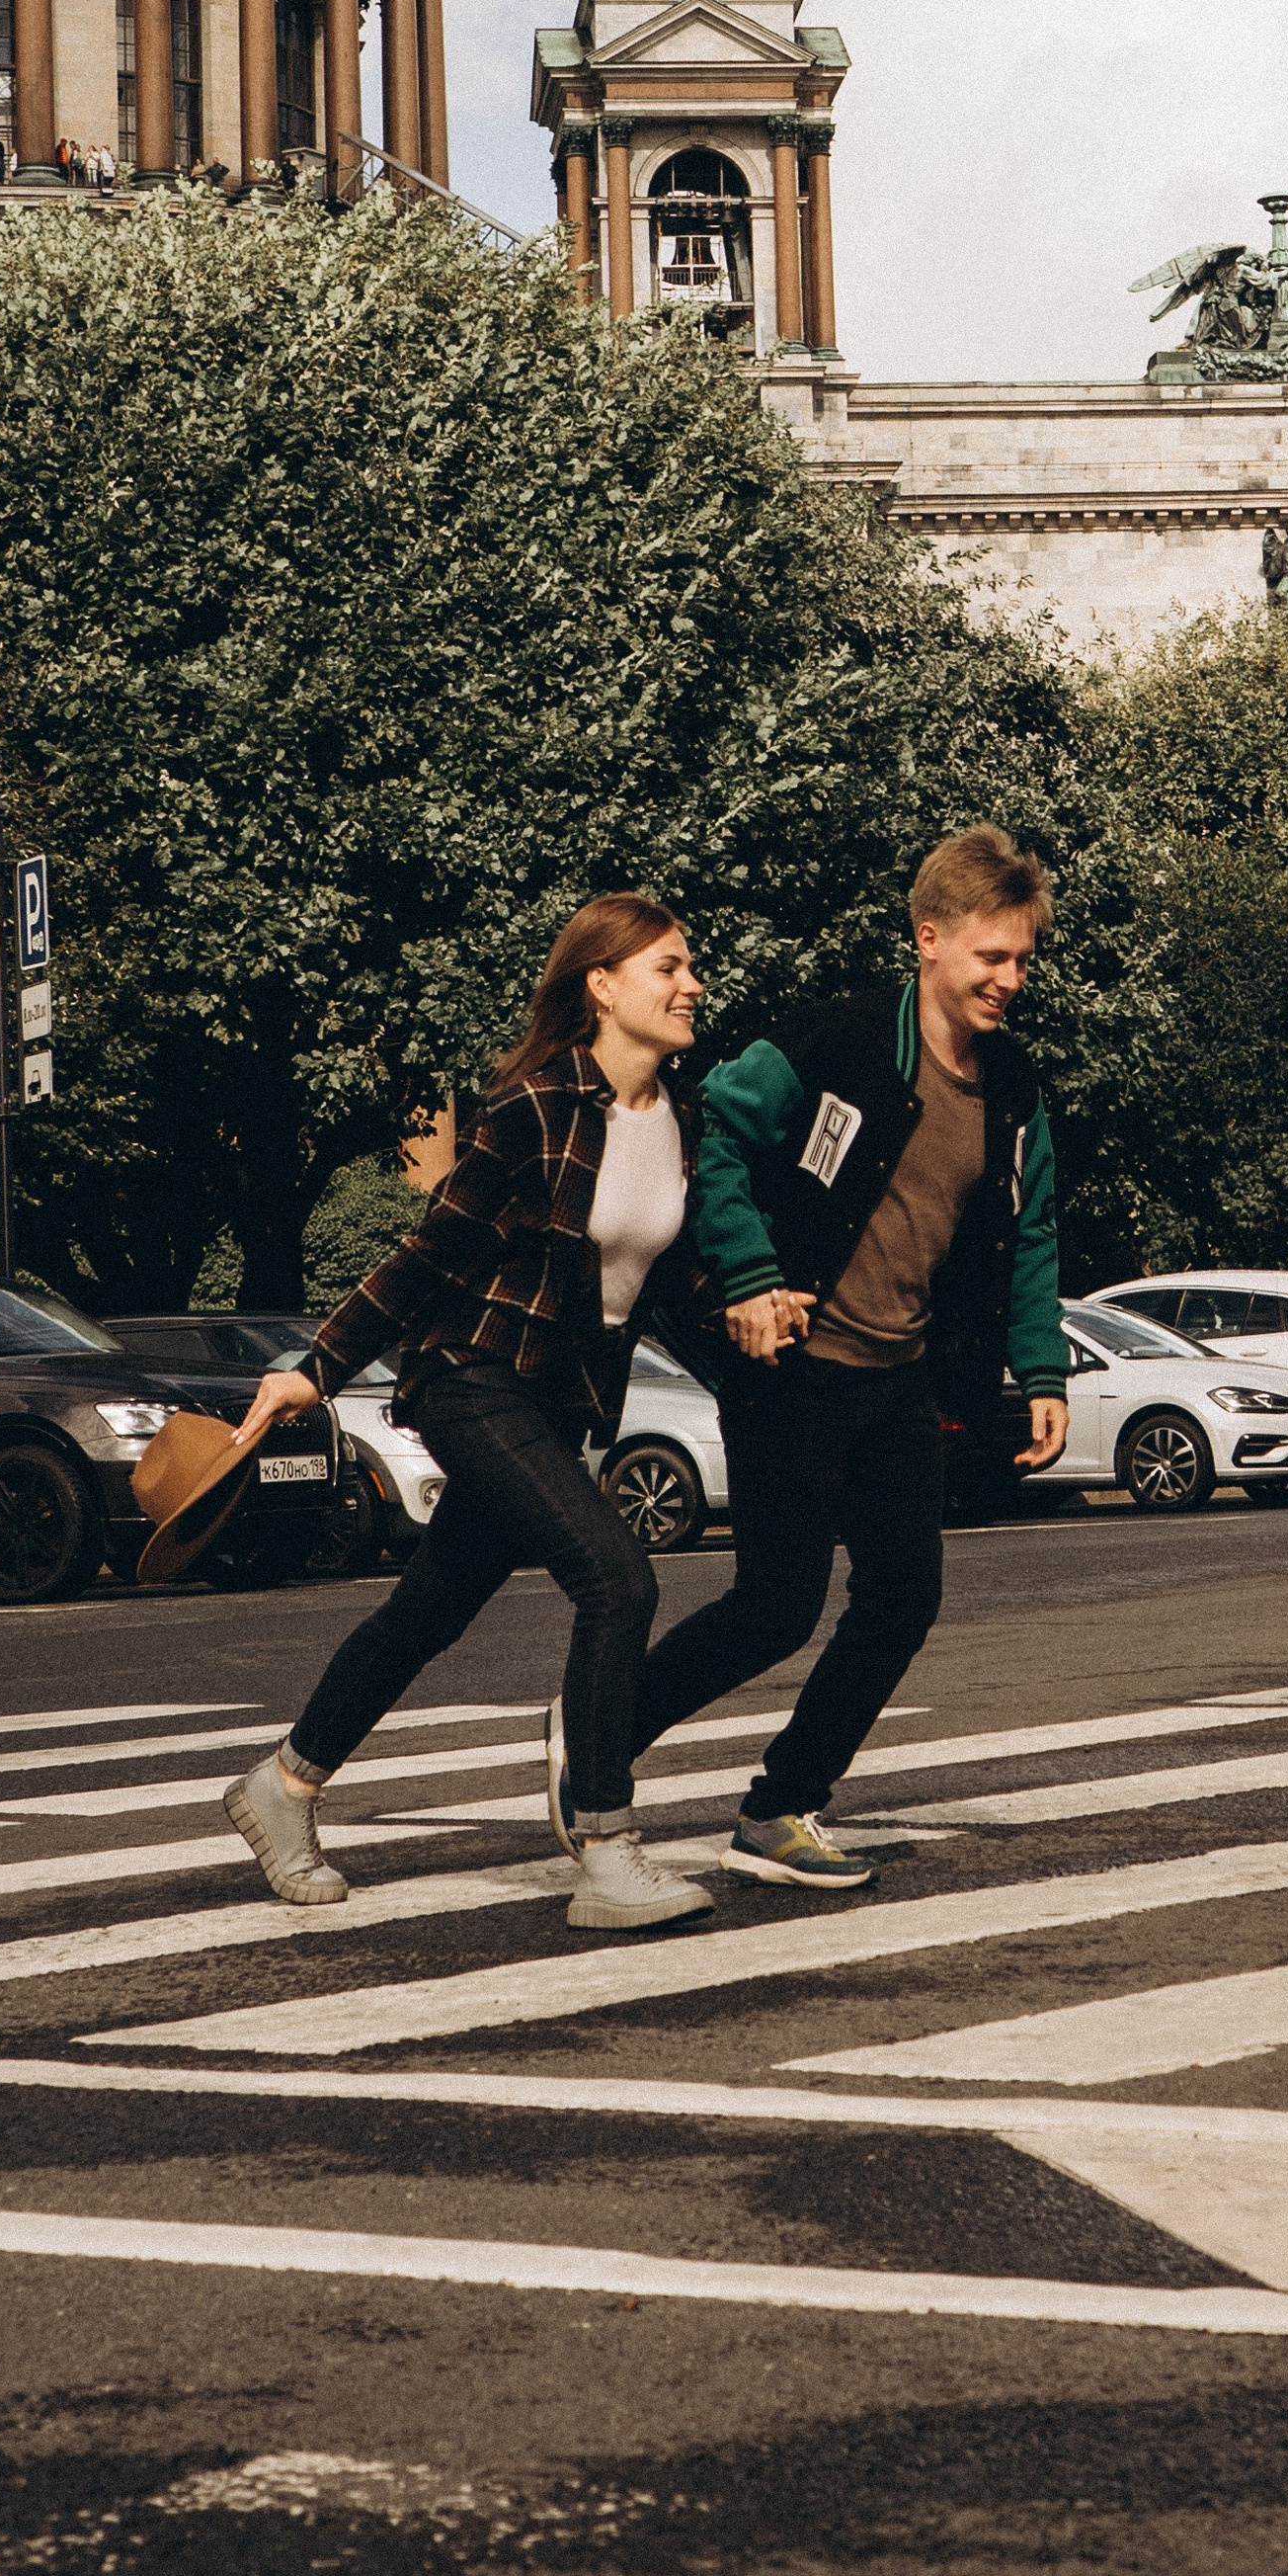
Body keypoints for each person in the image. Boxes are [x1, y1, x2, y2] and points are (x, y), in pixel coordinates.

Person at [222, 894, 714, 1933]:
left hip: (555, 1401)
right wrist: (318, 1364)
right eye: (666, 967)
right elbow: (429, 1251)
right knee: (616, 1580)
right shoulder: (534, 1107)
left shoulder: (681, 1117)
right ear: (602, 984)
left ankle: (285, 1783)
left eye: (689, 967)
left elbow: (667, 1287)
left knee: (431, 1608)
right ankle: (606, 1843)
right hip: (472, 1377)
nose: (689, 985)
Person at [624, 825, 1069, 1893]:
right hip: (794, 1365)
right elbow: (716, 1132)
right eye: (990, 957)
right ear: (929, 940)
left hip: (898, 1376)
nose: (1010, 980)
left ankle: (781, 1807)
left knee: (901, 1599)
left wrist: (1040, 1372)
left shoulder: (1012, 1091)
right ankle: (600, 1726)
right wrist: (745, 1275)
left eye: (1023, 960)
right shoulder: (833, 1042)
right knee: (776, 1604)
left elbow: (1033, 1232)